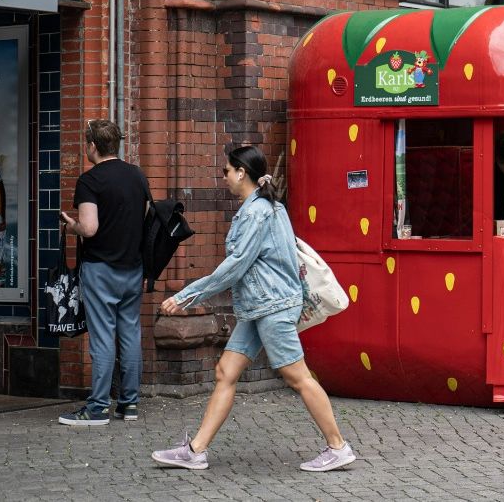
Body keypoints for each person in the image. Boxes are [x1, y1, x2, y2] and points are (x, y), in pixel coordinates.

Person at [151, 145, 355, 473]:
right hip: (259, 308)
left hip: (272, 308)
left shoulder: (256, 212)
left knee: (298, 377)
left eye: (226, 171)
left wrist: (187, 296)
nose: (224, 177)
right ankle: (196, 451)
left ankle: (338, 446)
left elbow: (236, 265)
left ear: (241, 173)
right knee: (226, 372)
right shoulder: (268, 206)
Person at [58, 119, 152, 426]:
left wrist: (72, 225)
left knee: (102, 338)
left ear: (92, 146)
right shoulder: (137, 175)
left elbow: (90, 228)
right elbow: (146, 218)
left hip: (101, 269)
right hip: (133, 268)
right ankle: (129, 403)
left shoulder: (90, 180)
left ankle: (97, 407)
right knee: (130, 334)